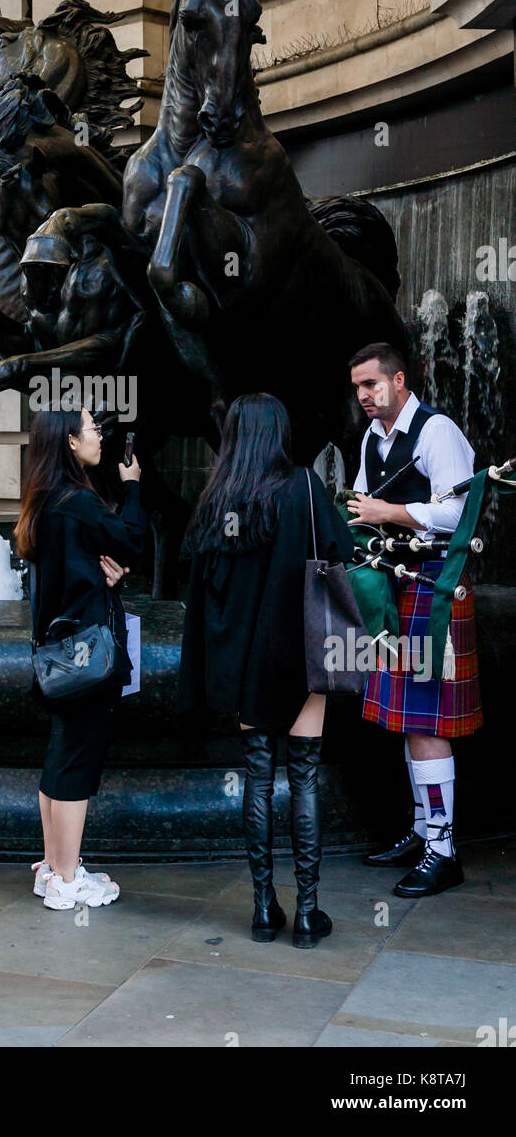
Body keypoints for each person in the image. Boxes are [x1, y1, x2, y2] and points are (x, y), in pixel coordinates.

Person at [178, 393, 355, 948]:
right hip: (299, 655)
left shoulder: (218, 501)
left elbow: (203, 592)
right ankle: (307, 913)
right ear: (279, 434)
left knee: (258, 777)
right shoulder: (303, 487)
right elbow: (340, 550)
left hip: (243, 665)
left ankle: (261, 909)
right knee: (302, 777)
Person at [347, 342, 480, 897]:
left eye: (371, 386)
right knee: (410, 720)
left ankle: (443, 852)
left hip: (436, 588)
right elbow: (360, 496)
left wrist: (387, 513)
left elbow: (459, 509)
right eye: (357, 389)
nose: (363, 397)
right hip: (395, 590)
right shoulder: (372, 438)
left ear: (399, 380)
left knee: (425, 720)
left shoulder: (437, 430)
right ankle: (424, 831)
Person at [15, 405, 147, 910]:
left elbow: (77, 569)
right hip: (87, 656)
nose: (99, 436)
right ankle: (67, 882)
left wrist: (106, 574)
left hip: (59, 654)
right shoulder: (78, 502)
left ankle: (54, 867)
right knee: (77, 762)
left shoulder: (48, 500)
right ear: (70, 442)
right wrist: (132, 486)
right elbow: (132, 539)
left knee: (61, 757)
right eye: (92, 429)